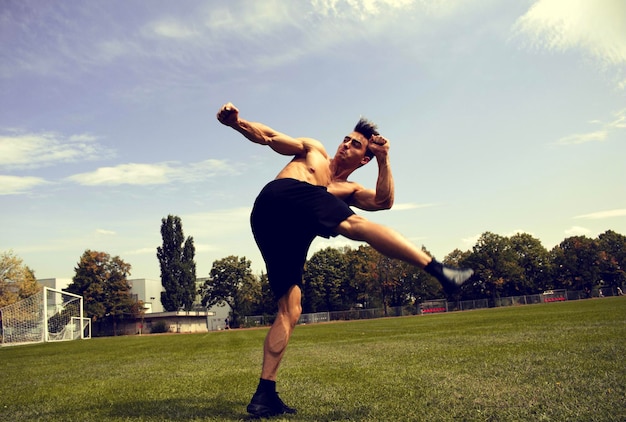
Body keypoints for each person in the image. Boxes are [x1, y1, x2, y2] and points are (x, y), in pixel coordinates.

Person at [216, 102, 474, 418]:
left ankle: (264, 395)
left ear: (363, 158)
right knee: (355, 225)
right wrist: (237, 123)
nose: (345, 146)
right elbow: (269, 137)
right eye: (346, 139)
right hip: (279, 198)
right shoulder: (313, 151)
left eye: (355, 145)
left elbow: (383, 201)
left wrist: (384, 159)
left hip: (282, 227)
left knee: (290, 309)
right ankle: (440, 271)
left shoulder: (346, 189)